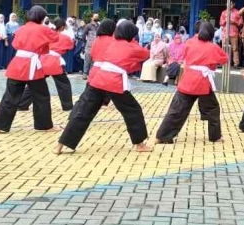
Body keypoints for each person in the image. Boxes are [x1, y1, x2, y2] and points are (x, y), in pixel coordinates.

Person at [56, 19, 153, 154]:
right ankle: (140, 144)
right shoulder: (130, 46)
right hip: (113, 82)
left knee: (84, 112)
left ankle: (61, 144)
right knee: (133, 110)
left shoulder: (112, 43)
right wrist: (133, 42)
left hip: (98, 79)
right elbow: (145, 54)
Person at [0, 5, 62, 134]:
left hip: (17, 63)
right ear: (41, 17)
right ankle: (44, 125)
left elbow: (14, 44)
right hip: (32, 66)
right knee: (41, 96)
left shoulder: (21, 28)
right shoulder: (42, 29)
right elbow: (55, 38)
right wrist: (49, 28)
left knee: (10, 96)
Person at [156, 22, 227, 144]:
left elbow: (184, 53)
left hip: (188, 80)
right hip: (203, 82)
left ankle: (163, 136)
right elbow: (224, 59)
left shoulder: (189, 42)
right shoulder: (213, 47)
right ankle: (215, 136)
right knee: (213, 108)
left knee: (176, 109)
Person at [18, 17, 75, 114]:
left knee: (35, 84)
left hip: (43, 60)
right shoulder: (65, 37)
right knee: (63, 84)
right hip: (54, 62)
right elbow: (70, 46)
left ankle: (22, 104)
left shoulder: (46, 35)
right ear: (61, 27)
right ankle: (67, 106)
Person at [220, 1, 243, 67]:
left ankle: (236, 63)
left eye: (231, 4)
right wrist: (225, 20)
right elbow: (221, 23)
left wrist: (234, 22)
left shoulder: (237, 12)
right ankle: (224, 62)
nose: (229, 5)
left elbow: (241, 23)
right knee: (224, 48)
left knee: (235, 48)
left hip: (234, 32)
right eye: (228, 4)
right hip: (225, 33)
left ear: (233, 4)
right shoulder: (224, 12)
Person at [81, 13, 101, 79]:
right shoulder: (88, 26)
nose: (96, 17)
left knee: (94, 61)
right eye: (95, 16)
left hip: (97, 46)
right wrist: (85, 42)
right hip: (89, 45)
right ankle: (85, 73)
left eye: (97, 16)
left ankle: (91, 74)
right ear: (92, 18)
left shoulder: (99, 26)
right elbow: (83, 35)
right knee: (87, 60)